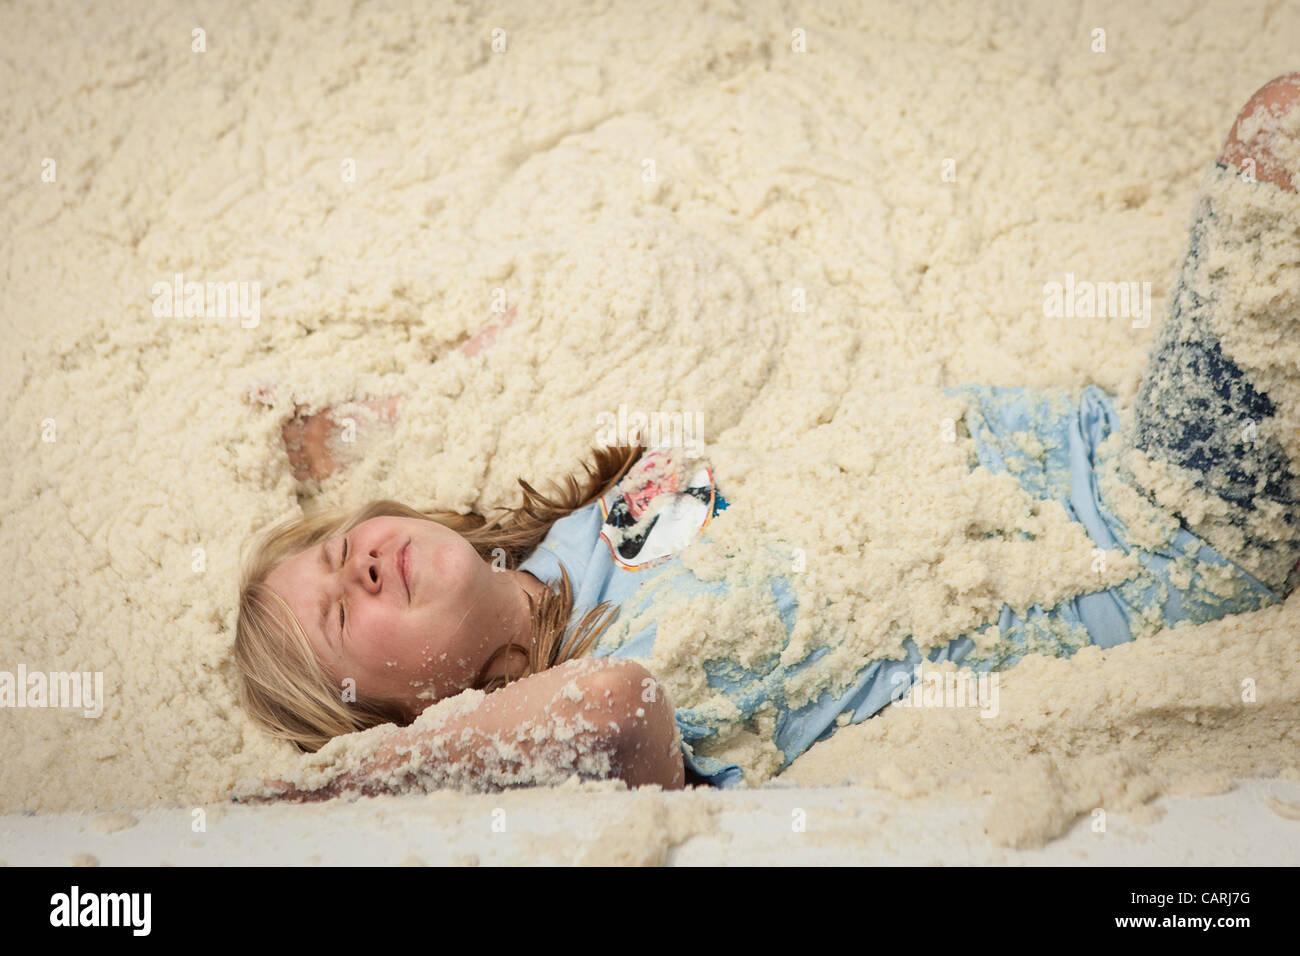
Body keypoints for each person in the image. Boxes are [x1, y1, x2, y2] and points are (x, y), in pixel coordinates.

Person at [232, 73, 1300, 802]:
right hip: (1157, 529)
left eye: (342, 549)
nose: (361, 563)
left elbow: (630, 307)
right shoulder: (598, 707)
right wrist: (352, 774)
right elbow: (613, 706)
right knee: (1279, 132)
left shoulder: (557, 538)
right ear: (397, 718)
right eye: (341, 609)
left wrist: (360, 434)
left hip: (1084, 430)